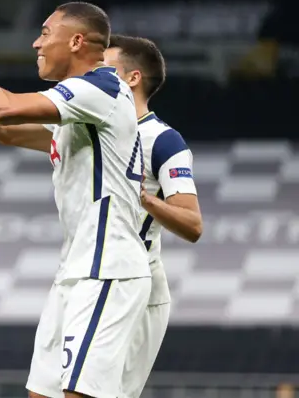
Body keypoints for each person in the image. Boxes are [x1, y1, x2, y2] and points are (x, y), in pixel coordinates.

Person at [0, 1, 151, 398]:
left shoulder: (101, 88)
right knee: (43, 394)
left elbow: (2, 109)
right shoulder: (81, 110)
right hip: (77, 269)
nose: (36, 43)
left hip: (108, 269)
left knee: (79, 395)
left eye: (45, 33)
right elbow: (4, 130)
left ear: (75, 41)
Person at [104, 34, 203, 398]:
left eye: (105, 68)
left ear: (132, 78)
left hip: (138, 285)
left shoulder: (164, 141)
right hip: (93, 276)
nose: (94, 75)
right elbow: (5, 127)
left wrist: (144, 199)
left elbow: (192, 224)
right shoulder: (95, 127)